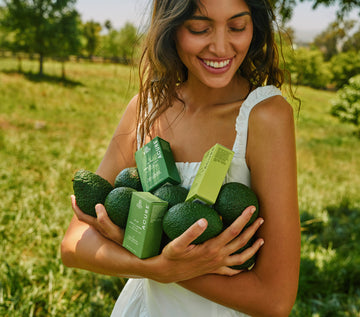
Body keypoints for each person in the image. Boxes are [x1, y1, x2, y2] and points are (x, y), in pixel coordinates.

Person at [61, 0, 301, 316]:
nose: (220, 46)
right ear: (172, 29)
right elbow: (74, 244)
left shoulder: (264, 116)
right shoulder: (146, 108)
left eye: (237, 26)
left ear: (253, 28)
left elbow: (275, 299)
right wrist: (156, 266)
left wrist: (160, 264)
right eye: (200, 28)